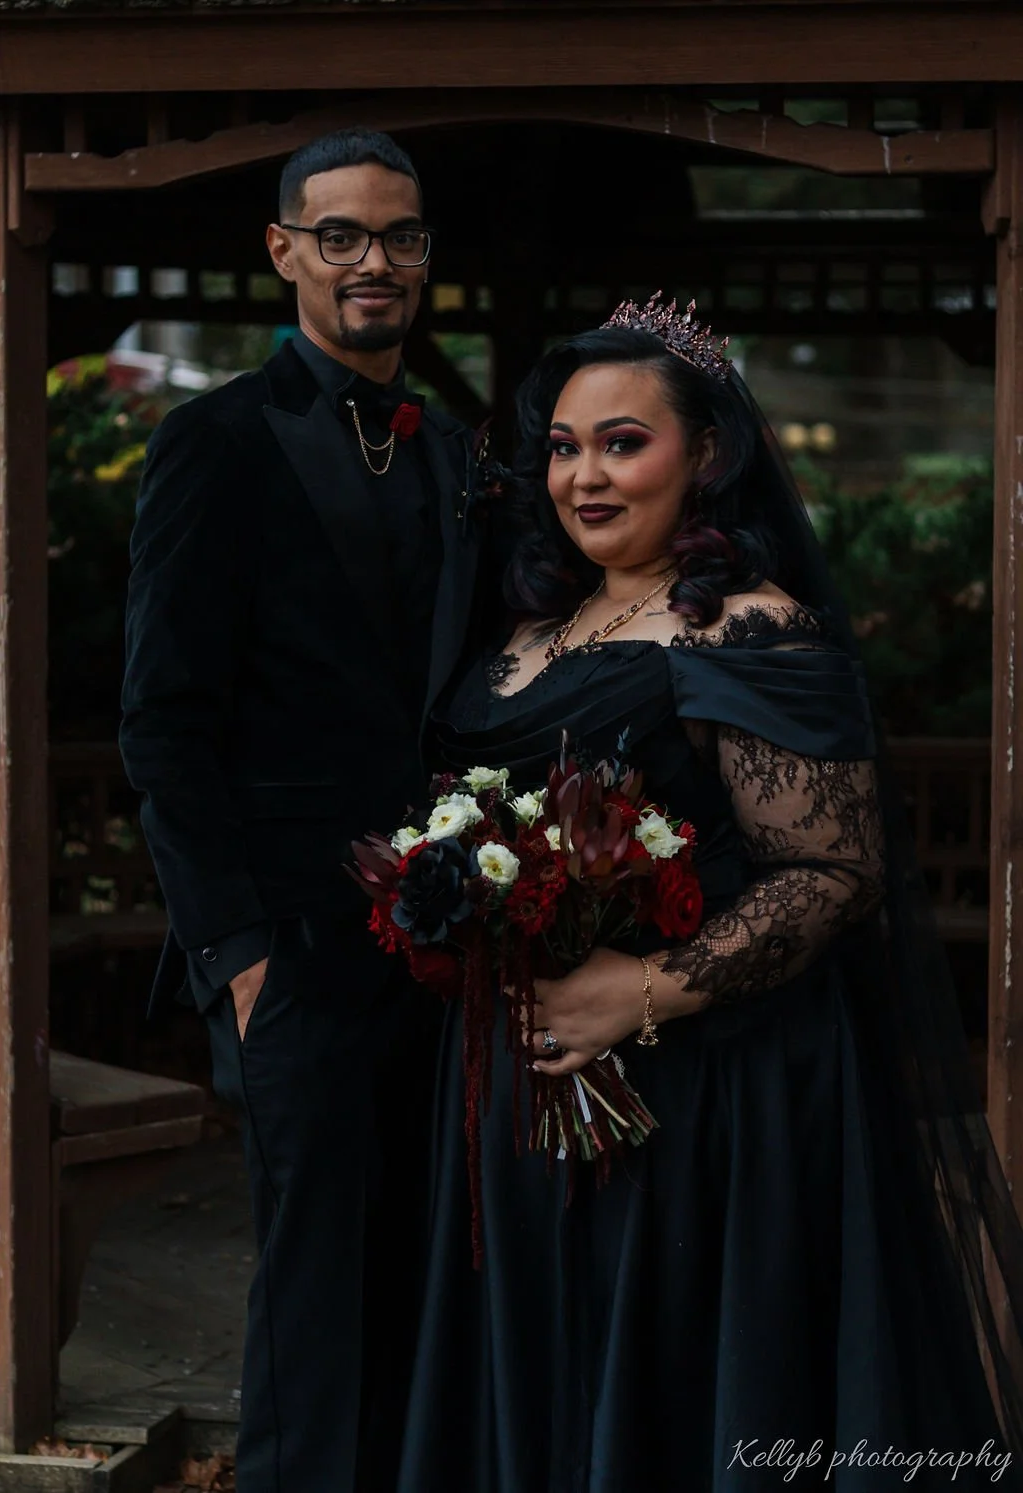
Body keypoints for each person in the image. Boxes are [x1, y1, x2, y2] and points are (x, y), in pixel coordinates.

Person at [398, 296, 1023, 1491]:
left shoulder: (750, 632)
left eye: (623, 441)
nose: (585, 473)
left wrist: (640, 990)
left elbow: (834, 873)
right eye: (566, 445)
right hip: (517, 1097)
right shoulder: (531, 629)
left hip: (701, 1094)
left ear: (707, 456)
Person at [120, 128, 493, 1493]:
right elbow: (163, 723)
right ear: (284, 251)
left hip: (453, 947)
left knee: (433, 1268)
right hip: (294, 949)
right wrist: (240, 963)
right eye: (340, 234)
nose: (373, 261)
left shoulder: (457, 447)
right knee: (312, 1291)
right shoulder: (212, 441)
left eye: (399, 235)